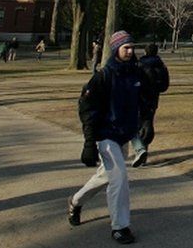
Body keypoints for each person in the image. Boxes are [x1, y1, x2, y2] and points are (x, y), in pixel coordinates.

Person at [68, 30, 150, 245]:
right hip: (106, 135)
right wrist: (89, 142)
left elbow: (145, 100)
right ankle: (120, 227)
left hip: (125, 134)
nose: (131, 51)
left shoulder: (137, 73)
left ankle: (76, 201)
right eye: (126, 48)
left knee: (106, 177)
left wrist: (146, 122)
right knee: (120, 178)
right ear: (116, 49)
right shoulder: (103, 76)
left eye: (132, 47)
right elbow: (87, 109)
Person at [130, 44, 169, 167]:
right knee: (147, 123)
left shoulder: (140, 64)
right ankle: (144, 152)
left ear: (145, 52)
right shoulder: (161, 65)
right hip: (153, 99)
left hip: (139, 98)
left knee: (135, 125)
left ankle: (140, 151)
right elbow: (165, 85)